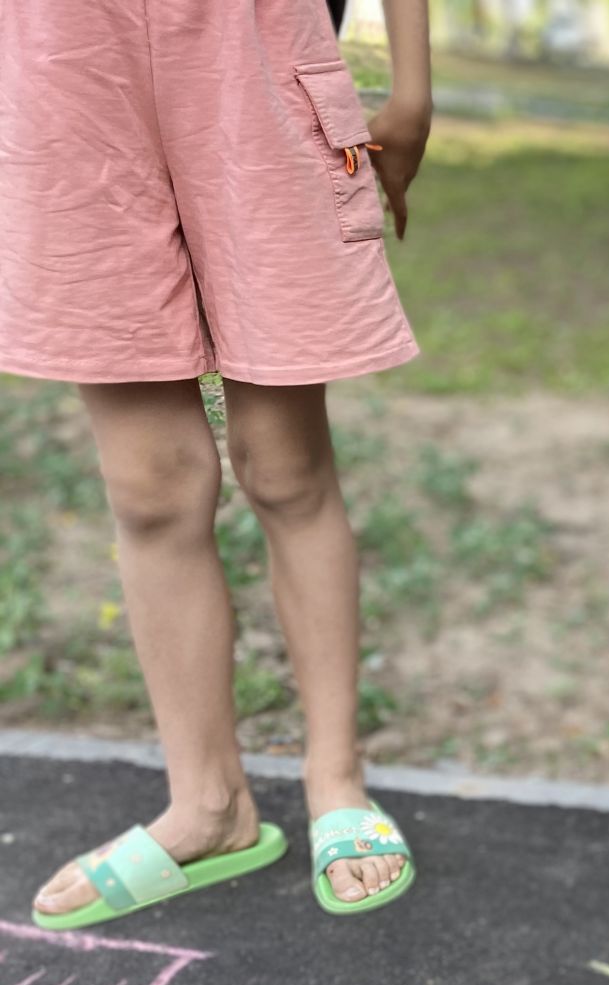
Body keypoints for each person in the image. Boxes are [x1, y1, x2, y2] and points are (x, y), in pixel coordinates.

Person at [2, 0, 433, 927]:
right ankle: (208, 805)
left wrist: (414, 89)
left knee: (284, 467)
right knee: (150, 489)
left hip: (250, 45)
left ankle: (336, 779)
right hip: (62, 59)